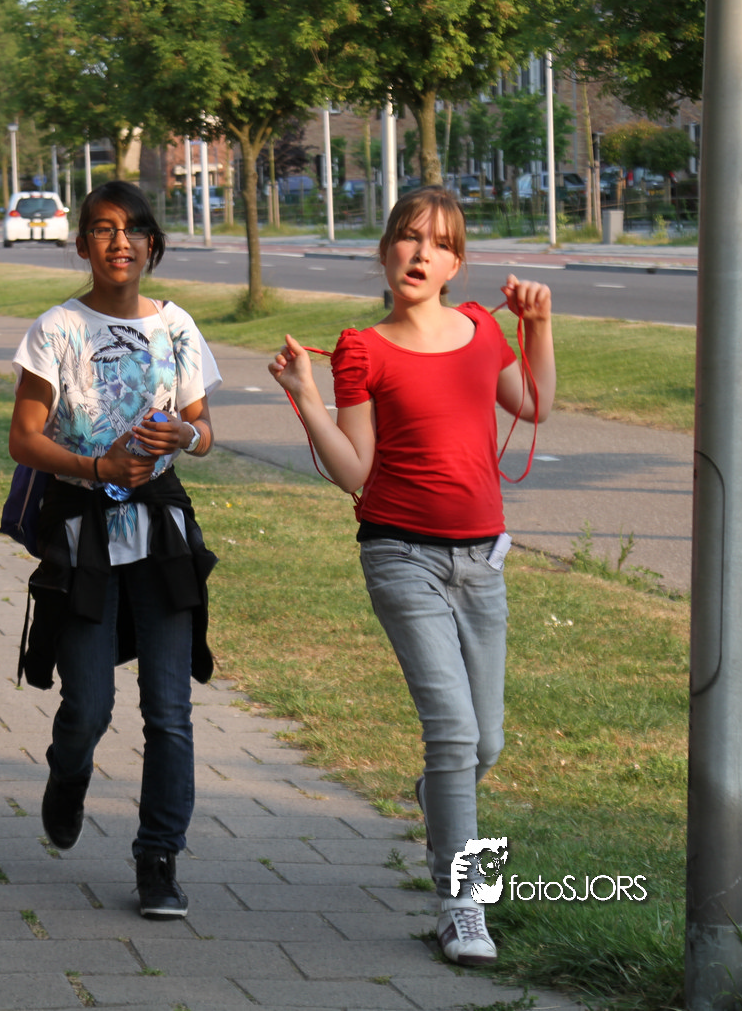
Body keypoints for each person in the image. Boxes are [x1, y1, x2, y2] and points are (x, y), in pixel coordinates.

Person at [267, 186, 556, 966]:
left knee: (484, 740)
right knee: (452, 730)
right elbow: (353, 471)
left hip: (481, 558)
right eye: (407, 237)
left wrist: (537, 324)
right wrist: (306, 399)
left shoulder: (479, 331)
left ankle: (439, 796)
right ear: (385, 249)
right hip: (400, 554)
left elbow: (533, 404)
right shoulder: (362, 347)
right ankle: (461, 904)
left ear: (456, 263)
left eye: (439, 243)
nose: (420, 253)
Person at [8, 180, 221, 919]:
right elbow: (23, 438)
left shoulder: (177, 327)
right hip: (82, 534)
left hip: (162, 535)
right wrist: (97, 467)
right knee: (88, 707)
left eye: (132, 229)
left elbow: (203, 429)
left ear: (152, 244)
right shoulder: (56, 329)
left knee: (169, 710)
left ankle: (158, 857)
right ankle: (67, 772)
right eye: (102, 228)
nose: (119, 242)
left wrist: (184, 435)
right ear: (82, 244)